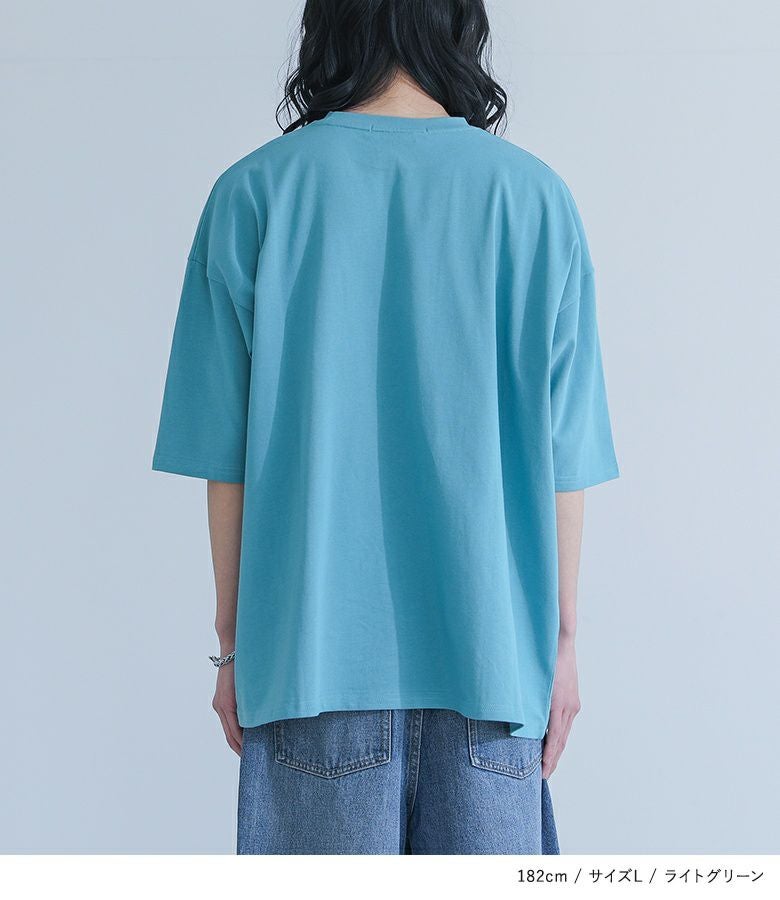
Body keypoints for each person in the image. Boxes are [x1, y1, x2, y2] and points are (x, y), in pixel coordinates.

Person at [152, 0, 619, 855]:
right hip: (494, 672)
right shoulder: (535, 200)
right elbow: (565, 459)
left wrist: (232, 648)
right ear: (457, 25)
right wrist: (562, 648)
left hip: (307, 668)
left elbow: (227, 460)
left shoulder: (253, 194)